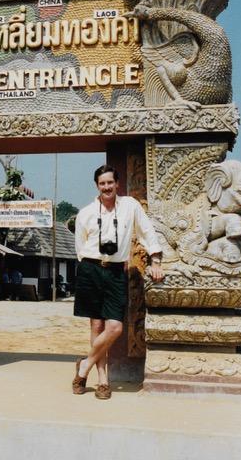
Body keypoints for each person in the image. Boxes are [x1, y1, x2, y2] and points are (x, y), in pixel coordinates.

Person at [72, 164, 165, 400]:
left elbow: (146, 232)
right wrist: (89, 269)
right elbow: (80, 247)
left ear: (117, 184)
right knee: (96, 326)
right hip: (91, 268)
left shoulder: (130, 207)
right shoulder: (86, 213)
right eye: (102, 184)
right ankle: (103, 380)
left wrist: (155, 260)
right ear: (97, 186)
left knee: (115, 327)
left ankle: (84, 366)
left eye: (110, 183)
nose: (106, 187)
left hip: (116, 272)